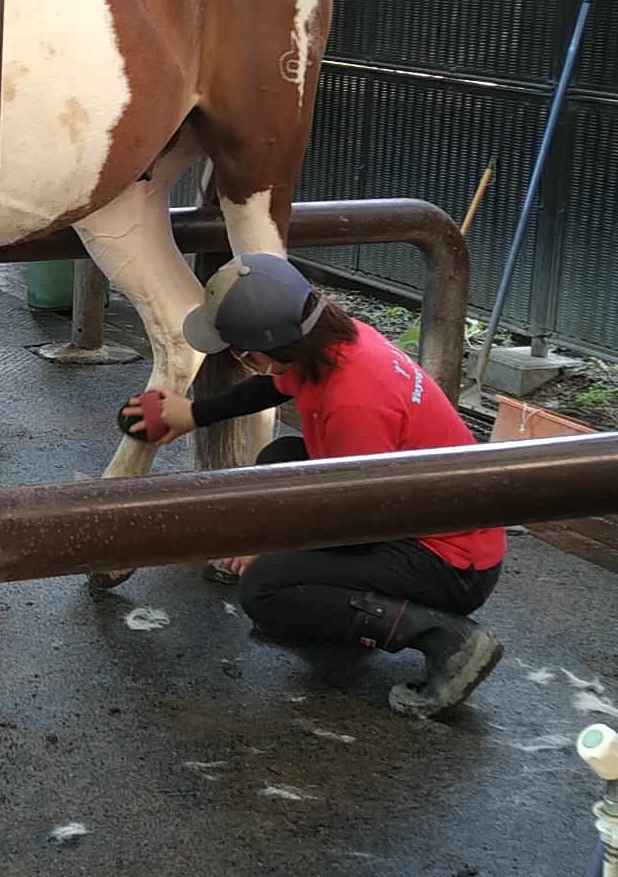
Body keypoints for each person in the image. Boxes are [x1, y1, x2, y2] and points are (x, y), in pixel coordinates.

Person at [122, 253, 505, 720]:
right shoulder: (330, 340)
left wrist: (273, 543)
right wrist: (194, 414)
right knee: (279, 462)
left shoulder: (354, 403)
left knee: (265, 590)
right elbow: (274, 387)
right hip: (411, 514)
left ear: (256, 355)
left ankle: (449, 641)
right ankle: (334, 612)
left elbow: (363, 530)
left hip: (449, 562)